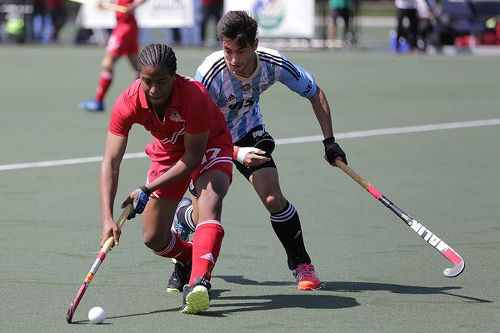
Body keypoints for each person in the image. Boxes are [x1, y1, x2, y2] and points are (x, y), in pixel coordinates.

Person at [168, 10, 347, 292]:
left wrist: (329, 141)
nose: (235, 60)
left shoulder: (273, 64)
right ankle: (184, 240)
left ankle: (302, 265)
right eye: (228, 51)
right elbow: (194, 131)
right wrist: (236, 154)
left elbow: (315, 93)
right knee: (204, 215)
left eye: (241, 51)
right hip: (208, 139)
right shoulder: (209, 74)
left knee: (273, 197)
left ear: (255, 45)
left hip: (249, 131)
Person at [99, 43, 234, 314]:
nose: (154, 90)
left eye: (162, 82)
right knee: (153, 238)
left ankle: (199, 282)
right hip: (168, 152)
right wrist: (107, 218)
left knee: (209, 202)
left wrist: (146, 188)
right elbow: (111, 161)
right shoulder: (127, 103)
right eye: (147, 81)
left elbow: (194, 157)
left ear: (175, 76)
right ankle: (187, 258)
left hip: (209, 145)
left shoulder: (194, 96)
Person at [79, 0, 146, 112]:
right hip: (125, 26)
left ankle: (98, 101)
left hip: (125, 28)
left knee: (107, 63)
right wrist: (104, 3)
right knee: (138, 68)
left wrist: (134, 5)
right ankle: (146, 100)